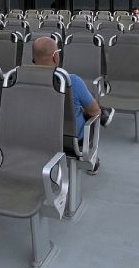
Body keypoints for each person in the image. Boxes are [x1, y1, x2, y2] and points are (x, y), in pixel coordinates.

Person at [32, 36, 102, 172]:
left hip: (36, 137)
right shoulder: (72, 81)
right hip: (70, 142)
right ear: (55, 57)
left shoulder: (22, 81)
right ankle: (92, 159)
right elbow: (95, 111)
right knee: (95, 114)